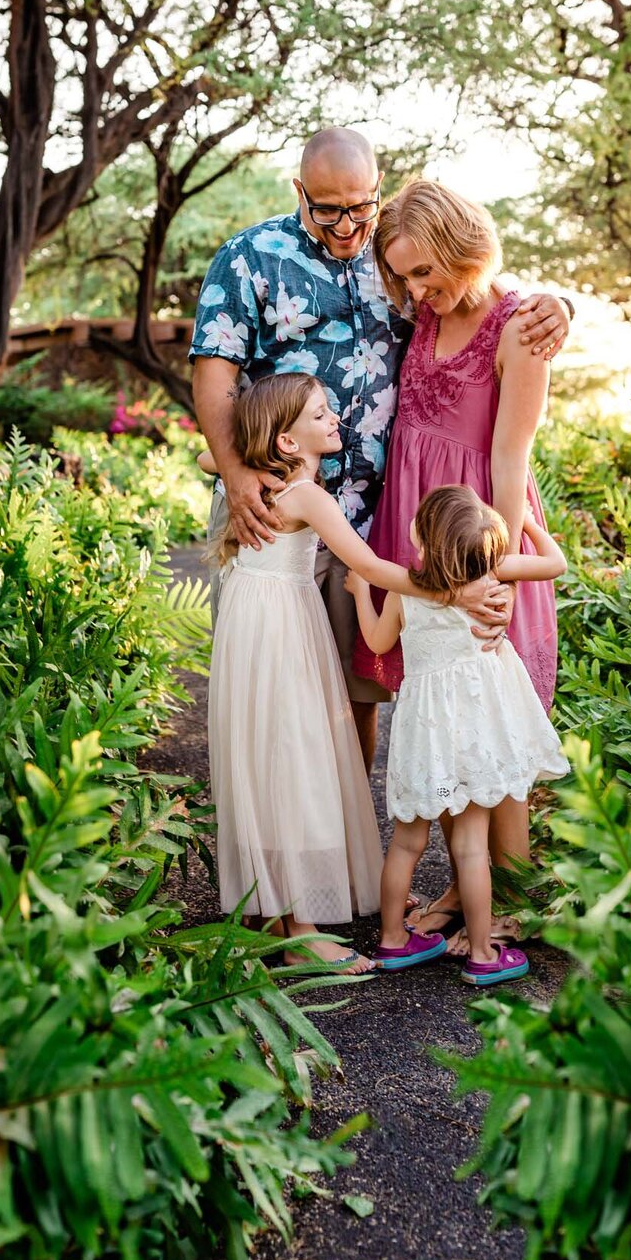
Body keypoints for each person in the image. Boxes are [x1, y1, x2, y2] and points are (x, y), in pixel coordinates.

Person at [190, 128, 573, 772]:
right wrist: (234, 476)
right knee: (266, 685)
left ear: (378, 191)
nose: (346, 224)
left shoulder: (395, 260)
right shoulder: (250, 256)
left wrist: (561, 304)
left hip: (367, 516)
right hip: (273, 508)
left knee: (356, 693)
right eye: (327, 207)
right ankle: (271, 836)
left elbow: (479, 298)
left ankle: (350, 842)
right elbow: (214, 373)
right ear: (299, 192)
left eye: (359, 205)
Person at [209, 373, 471, 971]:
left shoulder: (274, 481)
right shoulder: (307, 496)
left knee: (268, 755)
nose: (334, 419)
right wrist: (448, 591)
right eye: (320, 414)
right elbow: (371, 566)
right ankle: (300, 931)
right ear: (287, 443)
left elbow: (208, 452)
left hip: (257, 623)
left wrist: (245, 458)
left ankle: (269, 907)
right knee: (293, 759)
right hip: (280, 628)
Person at [358, 177, 561, 948]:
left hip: (476, 539)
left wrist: (491, 575)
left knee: (494, 726)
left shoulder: (517, 324)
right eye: (403, 276)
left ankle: (510, 899)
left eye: (424, 271)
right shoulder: (425, 312)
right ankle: (463, 890)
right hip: (419, 537)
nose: (415, 291)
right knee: (444, 722)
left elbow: (510, 460)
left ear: (459, 248)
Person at [349, 486, 569, 985]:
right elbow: (555, 564)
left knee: (406, 843)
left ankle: (392, 941)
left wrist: (363, 591)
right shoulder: (490, 576)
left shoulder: (406, 588)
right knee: (472, 846)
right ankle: (484, 954)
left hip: (430, 754)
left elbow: (378, 642)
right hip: (472, 752)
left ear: (422, 539)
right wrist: (530, 523)